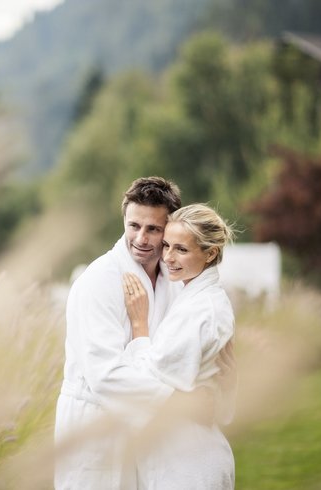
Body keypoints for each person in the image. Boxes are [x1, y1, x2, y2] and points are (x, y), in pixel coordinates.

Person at [54, 177, 235, 489]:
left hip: (152, 432)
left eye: (153, 229)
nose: (141, 237)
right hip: (96, 427)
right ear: (124, 219)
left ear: (170, 226)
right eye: (134, 225)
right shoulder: (97, 281)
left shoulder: (175, 278)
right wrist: (181, 402)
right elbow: (105, 375)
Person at [123, 203, 236, 489]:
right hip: (183, 457)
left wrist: (139, 327)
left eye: (181, 250)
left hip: (188, 465)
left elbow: (145, 382)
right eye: (167, 246)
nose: (168, 258)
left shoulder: (199, 312)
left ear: (210, 253)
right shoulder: (197, 299)